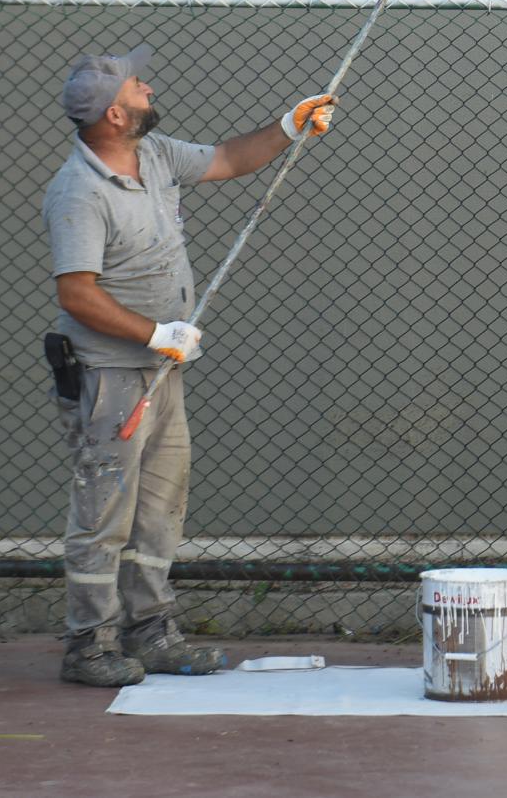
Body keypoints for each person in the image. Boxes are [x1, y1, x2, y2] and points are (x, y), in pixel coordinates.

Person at [42, 47, 335, 687]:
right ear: (115, 115)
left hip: (162, 370)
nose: (151, 86)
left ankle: (150, 632)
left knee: (159, 507)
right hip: (109, 378)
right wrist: (155, 332)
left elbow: (229, 159)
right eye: (138, 86)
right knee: (104, 513)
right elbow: (77, 294)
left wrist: (288, 126)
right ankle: (88, 645)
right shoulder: (80, 191)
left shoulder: (154, 153)